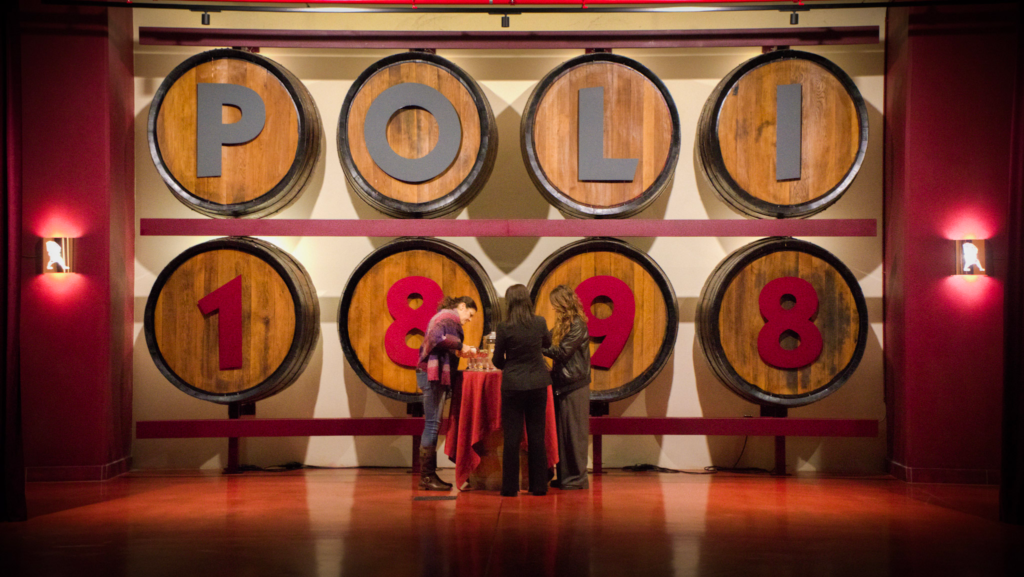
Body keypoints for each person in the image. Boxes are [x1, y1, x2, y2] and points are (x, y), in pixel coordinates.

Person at [492, 284, 552, 497]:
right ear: (527, 300)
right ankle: (539, 486)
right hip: (537, 383)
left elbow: (497, 360)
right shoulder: (539, 322)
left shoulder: (504, 327)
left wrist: (509, 365)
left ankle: (509, 488)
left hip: (513, 385)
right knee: (537, 435)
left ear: (509, 303)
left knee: (512, 436)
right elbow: (548, 343)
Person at [416, 296, 477, 491]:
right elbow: (436, 339)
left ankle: (428, 475)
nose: (470, 319)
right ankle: (426, 477)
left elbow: (440, 344)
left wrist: (457, 350)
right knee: (432, 425)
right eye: (470, 313)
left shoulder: (444, 318)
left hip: (429, 374)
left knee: (433, 424)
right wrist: (460, 346)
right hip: (431, 376)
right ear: (461, 306)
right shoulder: (448, 318)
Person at [543, 285, 591, 490]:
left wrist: (539, 347)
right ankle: (565, 477)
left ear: (563, 303)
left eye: (556, 304)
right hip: (563, 384)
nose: (553, 308)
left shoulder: (578, 324)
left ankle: (577, 479)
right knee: (563, 434)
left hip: (575, 385)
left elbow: (562, 353)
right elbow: (548, 338)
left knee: (574, 433)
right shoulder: (565, 324)